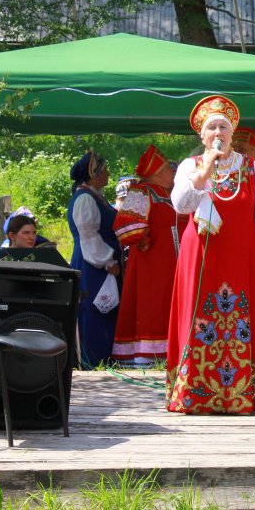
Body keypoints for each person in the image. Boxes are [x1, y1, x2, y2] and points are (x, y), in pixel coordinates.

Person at [166, 95, 255, 415]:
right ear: (202, 136)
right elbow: (181, 204)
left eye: (224, 127)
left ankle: (238, 393)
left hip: (239, 256)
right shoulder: (191, 166)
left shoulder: (250, 167)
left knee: (238, 318)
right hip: (201, 255)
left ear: (233, 133)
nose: (218, 132)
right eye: (211, 127)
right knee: (199, 317)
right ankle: (196, 393)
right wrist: (206, 170)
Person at [111, 145, 179, 366]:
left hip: (169, 259)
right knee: (152, 302)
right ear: (158, 172)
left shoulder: (167, 193)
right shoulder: (142, 191)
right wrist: (143, 236)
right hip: (152, 260)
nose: (172, 172)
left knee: (167, 301)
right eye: (169, 168)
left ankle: (168, 351)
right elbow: (124, 226)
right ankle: (147, 354)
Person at [67, 150, 122, 369]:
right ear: (95, 174)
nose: (108, 173)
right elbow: (89, 236)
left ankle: (104, 359)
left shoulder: (95, 196)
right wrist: (109, 261)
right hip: (93, 264)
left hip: (100, 264)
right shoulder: (85, 200)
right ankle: (92, 362)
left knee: (105, 309)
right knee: (95, 309)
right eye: (104, 169)